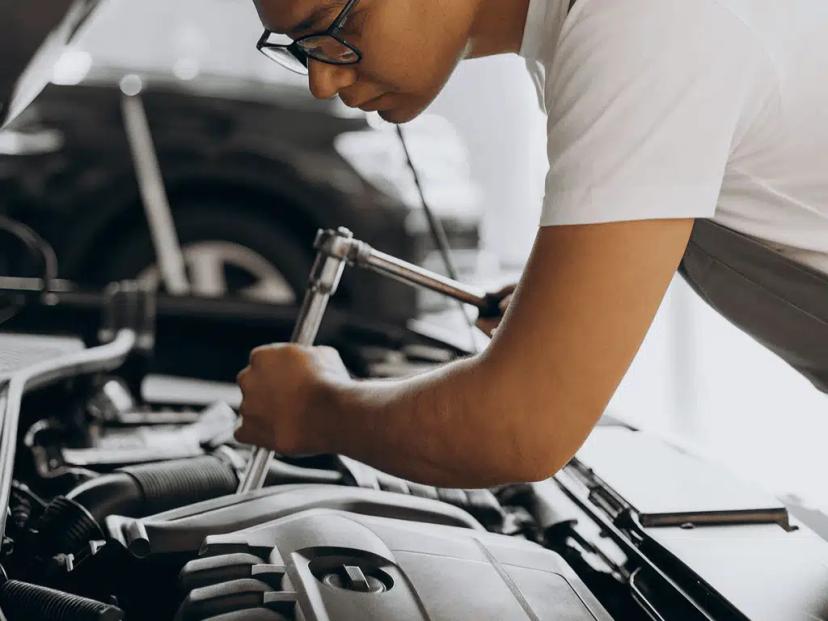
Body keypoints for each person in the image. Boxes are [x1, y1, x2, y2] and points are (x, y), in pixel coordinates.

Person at [235, 0, 828, 488]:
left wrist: (315, 408)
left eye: (332, 29)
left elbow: (515, 429)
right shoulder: (585, 30)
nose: (320, 79)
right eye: (294, 46)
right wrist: (557, 307)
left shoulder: (643, 25)